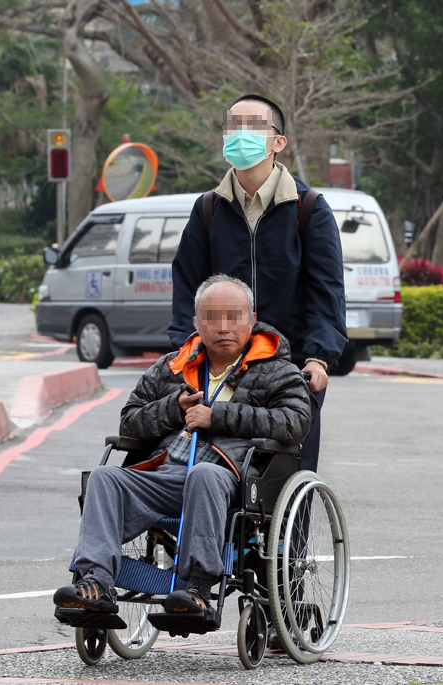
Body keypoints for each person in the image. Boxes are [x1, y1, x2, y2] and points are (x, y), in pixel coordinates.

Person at [55, 275, 310, 615]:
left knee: (203, 474)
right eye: (212, 317)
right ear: (196, 323)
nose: (223, 326)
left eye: (234, 316)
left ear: (251, 320)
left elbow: (295, 422)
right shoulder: (173, 366)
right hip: (167, 473)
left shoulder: (279, 371)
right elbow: (129, 420)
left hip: (231, 478)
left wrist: (218, 416)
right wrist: (175, 407)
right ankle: (96, 582)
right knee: (105, 477)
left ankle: (198, 589)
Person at [168, 94, 346, 475]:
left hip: (289, 367)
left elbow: (326, 292)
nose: (239, 135)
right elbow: (186, 290)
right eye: (232, 127)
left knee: (283, 475)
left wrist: (318, 358)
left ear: (278, 142)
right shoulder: (208, 210)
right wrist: (184, 352)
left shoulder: (308, 208)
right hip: (221, 364)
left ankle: (287, 539)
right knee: (210, 467)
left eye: (252, 127)